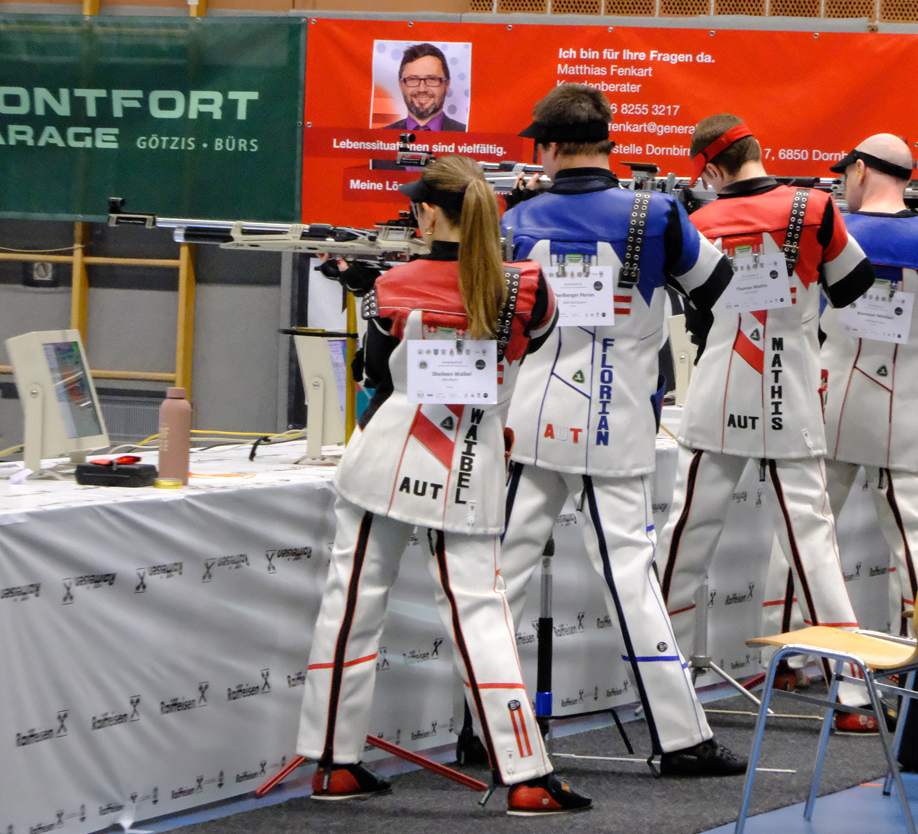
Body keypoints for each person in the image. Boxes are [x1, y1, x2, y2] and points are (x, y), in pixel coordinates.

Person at [296, 155, 589, 815]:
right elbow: (531, 346)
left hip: (384, 460)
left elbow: (376, 379)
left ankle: (333, 763)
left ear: (428, 212)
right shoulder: (529, 287)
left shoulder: (390, 287)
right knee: (482, 613)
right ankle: (525, 774)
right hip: (470, 465)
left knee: (352, 606)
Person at [496, 84, 745, 776]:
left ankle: (484, 725)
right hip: (618, 419)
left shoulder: (515, 216)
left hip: (532, 421)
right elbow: (719, 287)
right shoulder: (657, 212)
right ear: (608, 139)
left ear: (546, 147)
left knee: (501, 577)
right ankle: (681, 738)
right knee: (631, 579)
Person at [657, 114, 879, 732]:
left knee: (685, 539)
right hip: (792, 393)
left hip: (718, 391)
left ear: (709, 168)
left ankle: (662, 680)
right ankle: (854, 692)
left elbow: (691, 309)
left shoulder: (697, 224)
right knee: (814, 545)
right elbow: (857, 285)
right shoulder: (816, 208)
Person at [818, 134, 918, 627]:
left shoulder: (830, 232)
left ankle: (800, 652)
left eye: (846, 174)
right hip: (907, 403)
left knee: (808, 532)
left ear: (861, 171)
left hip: (833, 398)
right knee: (916, 535)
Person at [383, 43, 467, 132]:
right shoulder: (380, 137)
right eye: (413, 79)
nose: (422, 89)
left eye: (432, 79)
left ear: (446, 85)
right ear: (401, 85)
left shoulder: (468, 136)